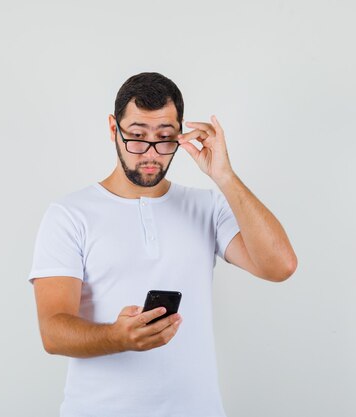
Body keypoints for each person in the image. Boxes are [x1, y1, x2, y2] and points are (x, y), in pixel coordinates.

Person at [28, 72, 297, 417]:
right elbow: (53, 331)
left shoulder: (207, 207)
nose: (151, 153)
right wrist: (118, 336)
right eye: (137, 137)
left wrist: (224, 176)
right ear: (114, 129)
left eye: (165, 138)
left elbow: (280, 266)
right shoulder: (69, 214)